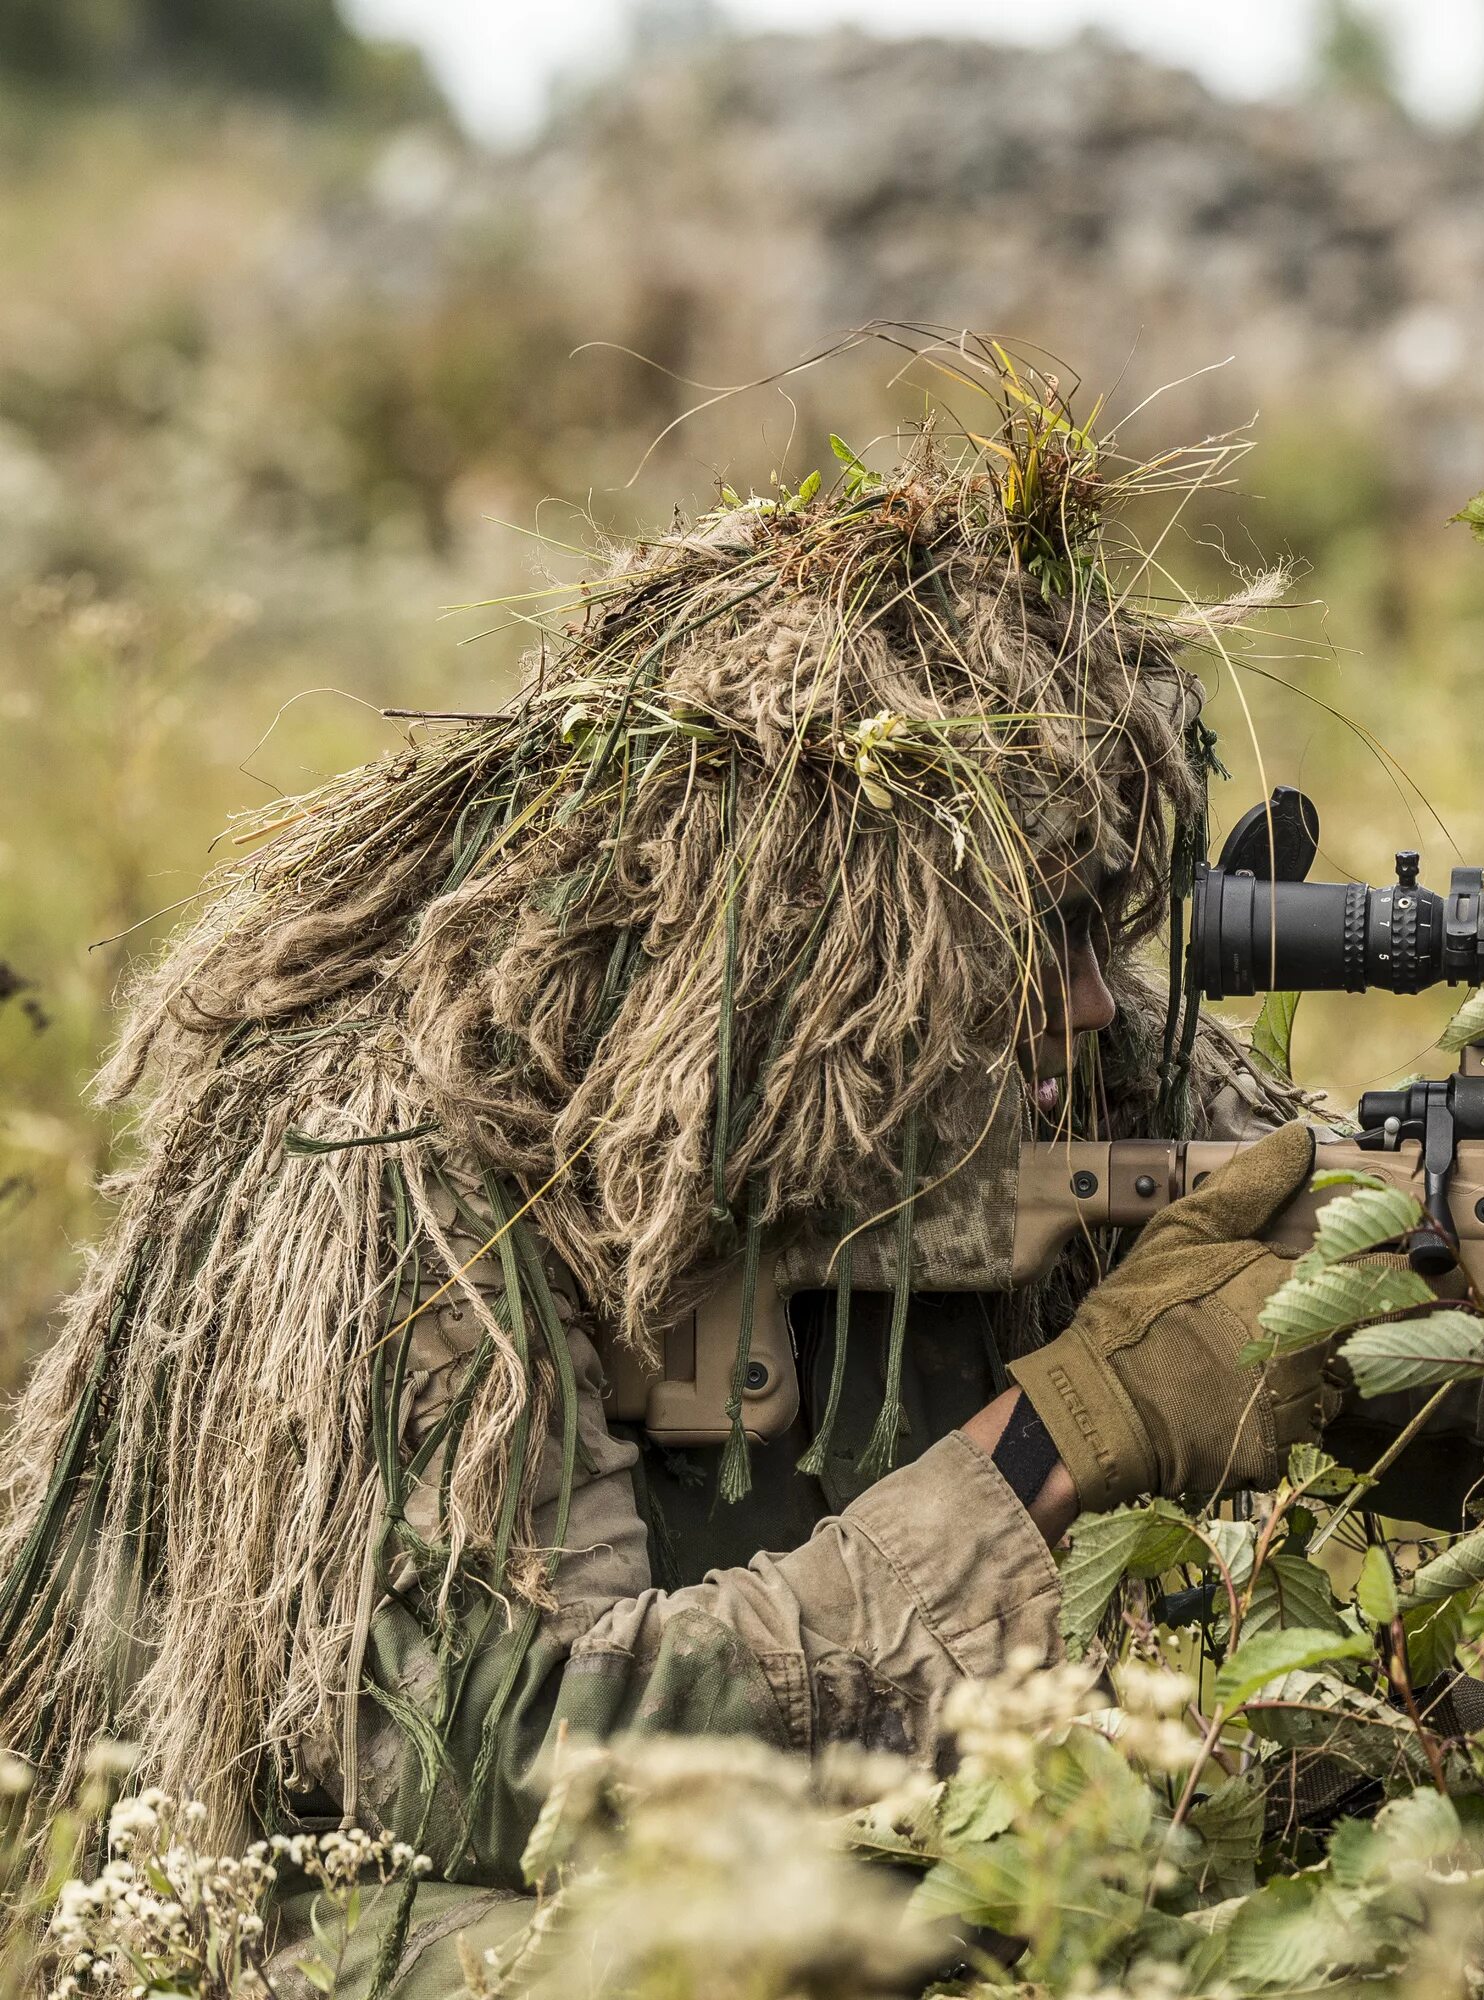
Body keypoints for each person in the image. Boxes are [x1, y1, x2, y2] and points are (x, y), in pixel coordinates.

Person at [0, 404, 1331, 1995]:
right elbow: (521, 1762)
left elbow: (1372, 1216)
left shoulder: (1047, 1052)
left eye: (1092, 922)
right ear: (823, 944)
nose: (1093, 1004)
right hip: (336, 1892)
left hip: (856, 1825)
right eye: (1022, 936)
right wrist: (1064, 1437)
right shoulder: (405, 1155)